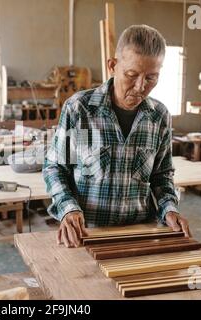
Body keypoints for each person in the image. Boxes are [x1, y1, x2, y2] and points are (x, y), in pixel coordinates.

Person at [43, 24, 191, 248]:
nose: (140, 86)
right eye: (132, 75)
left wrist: (169, 209)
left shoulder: (158, 116)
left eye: (151, 78)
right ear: (112, 65)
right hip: (87, 234)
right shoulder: (79, 108)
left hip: (140, 233)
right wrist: (68, 208)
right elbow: (55, 167)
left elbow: (162, 175)